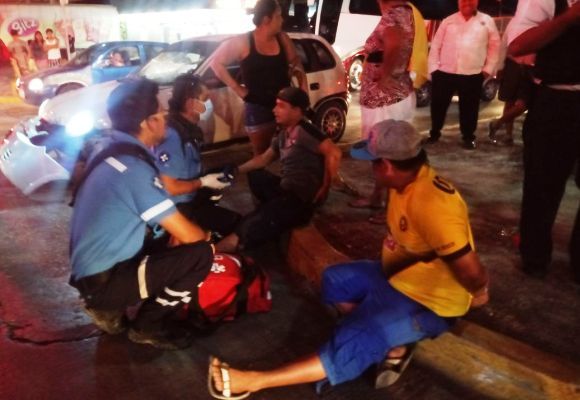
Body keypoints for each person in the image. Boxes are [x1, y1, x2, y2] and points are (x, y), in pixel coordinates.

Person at [207, 119, 489, 398]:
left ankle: (254, 381)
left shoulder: (433, 204)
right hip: (398, 278)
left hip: (429, 299)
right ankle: (389, 339)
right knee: (335, 280)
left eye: (372, 162)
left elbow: (470, 269)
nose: (369, 168)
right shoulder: (406, 181)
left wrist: (477, 293)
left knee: (357, 336)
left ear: (386, 165)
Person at [69, 79, 215, 350]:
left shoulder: (110, 147)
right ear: (148, 123)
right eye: (160, 114)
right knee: (201, 254)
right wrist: (206, 236)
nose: (165, 119)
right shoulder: (133, 169)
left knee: (168, 238)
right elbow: (191, 236)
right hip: (104, 279)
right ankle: (147, 325)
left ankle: (110, 307)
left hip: (92, 269)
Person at [216, 87, 341, 254]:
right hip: (286, 190)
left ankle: (218, 251)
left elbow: (334, 153)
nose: (274, 110)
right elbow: (263, 159)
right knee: (256, 174)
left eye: (281, 106)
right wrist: (235, 170)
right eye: (276, 105)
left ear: (297, 110)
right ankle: (268, 212)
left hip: (300, 198)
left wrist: (324, 188)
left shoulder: (305, 130)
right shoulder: (284, 133)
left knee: (254, 224)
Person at [507, 0, 580, 281]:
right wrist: (568, 18)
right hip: (557, 100)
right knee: (543, 184)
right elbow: (517, 45)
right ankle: (535, 257)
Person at [348, 0, 426, 224]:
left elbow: (395, 43)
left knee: (388, 154)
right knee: (382, 152)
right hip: (388, 98)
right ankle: (377, 198)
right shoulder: (403, 13)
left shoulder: (395, 14)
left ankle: (392, 209)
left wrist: (385, 75)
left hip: (386, 100)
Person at [210, 0, 307, 156]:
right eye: (278, 16)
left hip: (284, 103)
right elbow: (216, 63)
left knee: (291, 149)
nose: (282, 20)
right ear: (266, 20)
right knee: (261, 154)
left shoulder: (282, 38)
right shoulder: (243, 42)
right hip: (258, 105)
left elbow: (296, 63)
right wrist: (238, 89)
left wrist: (303, 89)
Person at [154, 73, 241, 243]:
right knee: (236, 226)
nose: (209, 104)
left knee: (224, 171)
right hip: (178, 207)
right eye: (205, 99)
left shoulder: (188, 129)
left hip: (191, 195)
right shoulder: (173, 136)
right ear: (191, 103)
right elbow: (169, 187)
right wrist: (204, 182)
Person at [427, 0, 500, 149]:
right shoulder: (448, 21)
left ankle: (468, 137)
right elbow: (436, 45)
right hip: (444, 73)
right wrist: (433, 68)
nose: (467, 2)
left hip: (473, 74)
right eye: (463, 0)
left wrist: (488, 69)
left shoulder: (486, 21)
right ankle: (434, 134)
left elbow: (495, 46)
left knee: (470, 108)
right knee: (438, 106)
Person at [488, 22, 535, 146]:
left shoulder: (543, 20)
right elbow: (504, 44)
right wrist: (500, 66)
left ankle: (497, 123)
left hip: (532, 67)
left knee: (525, 103)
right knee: (510, 100)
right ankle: (508, 135)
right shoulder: (516, 22)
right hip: (513, 64)